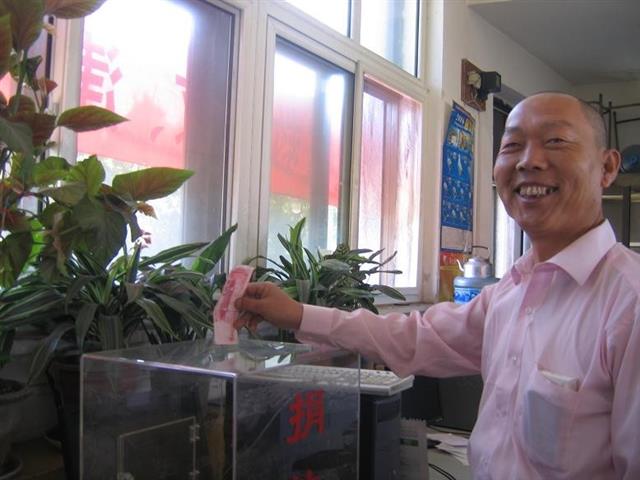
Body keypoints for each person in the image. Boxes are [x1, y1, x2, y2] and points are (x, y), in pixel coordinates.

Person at [235, 92, 640, 479]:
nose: (529, 161)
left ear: (607, 168)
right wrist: (297, 314)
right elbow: (417, 338)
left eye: (556, 141)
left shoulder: (628, 303)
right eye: (512, 145)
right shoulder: (511, 292)